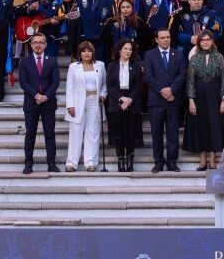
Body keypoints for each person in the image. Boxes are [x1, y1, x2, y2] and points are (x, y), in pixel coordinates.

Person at [183, 29, 224, 170]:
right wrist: (191, 100)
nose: (205, 42)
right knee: (200, 126)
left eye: (208, 40)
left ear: (212, 41)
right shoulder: (194, 58)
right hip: (199, 95)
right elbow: (190, 81)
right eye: (203, 40)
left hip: (215, 94)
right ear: (199, 42)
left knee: (214, 126)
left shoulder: (219, 57)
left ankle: (212, 160)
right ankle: (202, 160)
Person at [143, 28, 188, 172]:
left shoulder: (179, 54)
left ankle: (172, 161)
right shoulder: (149, 55)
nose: (166, 40)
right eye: (162, 38)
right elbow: (149, 77)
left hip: (173, 100)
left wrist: (171, 90)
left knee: (172, 132)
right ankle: (158, 162)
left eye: (168, 37)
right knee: (156, 133)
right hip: (156, 101)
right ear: (156, 39)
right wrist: (163, 91)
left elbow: (182, 74)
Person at [19, 34, 60, 174]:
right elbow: (23, 82)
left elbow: (55, 82)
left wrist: (46, 96)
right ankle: (28, 164)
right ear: (31, 45)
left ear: (45, 45)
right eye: (35, 42)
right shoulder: (24, 61)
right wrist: (36, 95)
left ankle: (51, 163)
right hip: (31, 102)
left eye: (41, 42)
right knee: (30, 134)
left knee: (50, 134)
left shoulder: (52, 61)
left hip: (48, 103)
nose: (38, 45)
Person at [64, 41, 106, 172]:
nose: (86, 53)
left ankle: (90, 163)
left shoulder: (100, 65)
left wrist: (103, 95)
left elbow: (104, 84)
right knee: (76, 133)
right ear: (80, 53)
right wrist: (69, 105)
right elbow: (69, 87)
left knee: (92, 133)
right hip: (77, 103)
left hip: (95, 101)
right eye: (84, 51)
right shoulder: (73, 67)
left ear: (93, 52)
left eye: (89, 51)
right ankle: (71, 163)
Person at [107, 39, 144, 172]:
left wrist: (129, 100)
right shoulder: (112, 65)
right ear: (119, 50)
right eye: (125, 49)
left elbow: (138, 86)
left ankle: (130, 158)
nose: (128, 51)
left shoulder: (135, 65)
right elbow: (110, 86)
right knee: (118, 132)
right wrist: (121, 99)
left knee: (131, 132)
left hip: (132, 101)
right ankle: (120, 158)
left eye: (130, 49)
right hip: (116, 100)